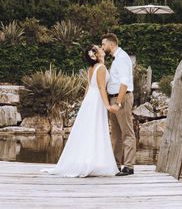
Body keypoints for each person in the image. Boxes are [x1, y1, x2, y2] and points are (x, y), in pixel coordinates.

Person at [42, 44, 118, 177]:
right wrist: (107, 105)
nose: (101, 48)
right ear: (95, 55)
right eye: (98, 48)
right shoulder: (101, 68)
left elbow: (88, 88)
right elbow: (101, 88)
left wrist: (84, 103)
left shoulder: (91, 68)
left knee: (89, 129)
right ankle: (92, 161)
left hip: (90, 99)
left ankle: (89, 160)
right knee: (95, 128)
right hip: (96, 100)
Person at [102, 32, 136, 176]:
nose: (102, 47)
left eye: (103, 44)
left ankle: (128, 166)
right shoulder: (116, 59)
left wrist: (118, 103)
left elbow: (124, 83)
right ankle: (115, 164)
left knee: (127, 133)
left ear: (111, 44)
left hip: (122, 98)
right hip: (113, 99)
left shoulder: (122, 58)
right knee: (115, 134)